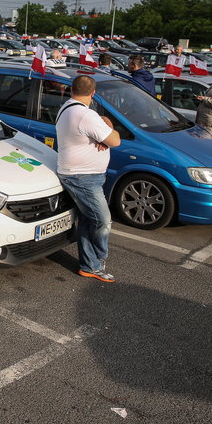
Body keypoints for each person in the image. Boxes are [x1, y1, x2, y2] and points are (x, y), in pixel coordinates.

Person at [55, 75, 121, 282]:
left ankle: (88, 265)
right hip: (82, 178)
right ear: (93, 94)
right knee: (103, 220)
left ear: (71, 89)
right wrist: (108, 136)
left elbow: (104, 126)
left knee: (87, 219)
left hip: (86, 176)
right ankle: (99, 260)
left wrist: (104, 132)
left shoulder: (68, 107)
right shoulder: (85, 116)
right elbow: (116, 140)